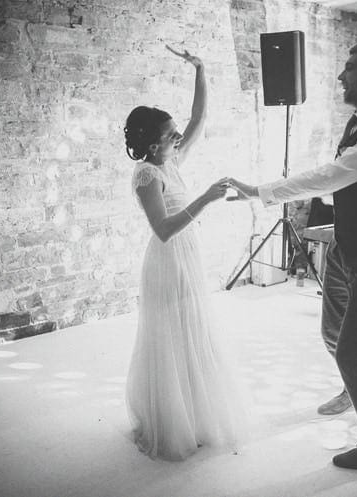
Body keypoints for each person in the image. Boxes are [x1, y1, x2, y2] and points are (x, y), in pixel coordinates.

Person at [229, 43, 357, 470]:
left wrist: (261, 191)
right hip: (344, 247)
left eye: (349, 67)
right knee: (332, 335)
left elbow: (333, 176)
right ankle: (355, 389)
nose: (341, 75)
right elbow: (345, 186)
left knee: (351, 351)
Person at [124, 45, 245, 461]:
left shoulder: (172, 159)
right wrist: (207, 199)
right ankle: (169, 420)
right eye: (170, 134)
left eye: (176, 132)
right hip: (167, 259)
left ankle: (192, 414)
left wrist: (200, 69)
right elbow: (162, 231)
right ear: (153, 143)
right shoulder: (147, 174)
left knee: (193, 330)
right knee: (171, 338)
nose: (179, 136)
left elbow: (199, 119)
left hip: (188, 256)